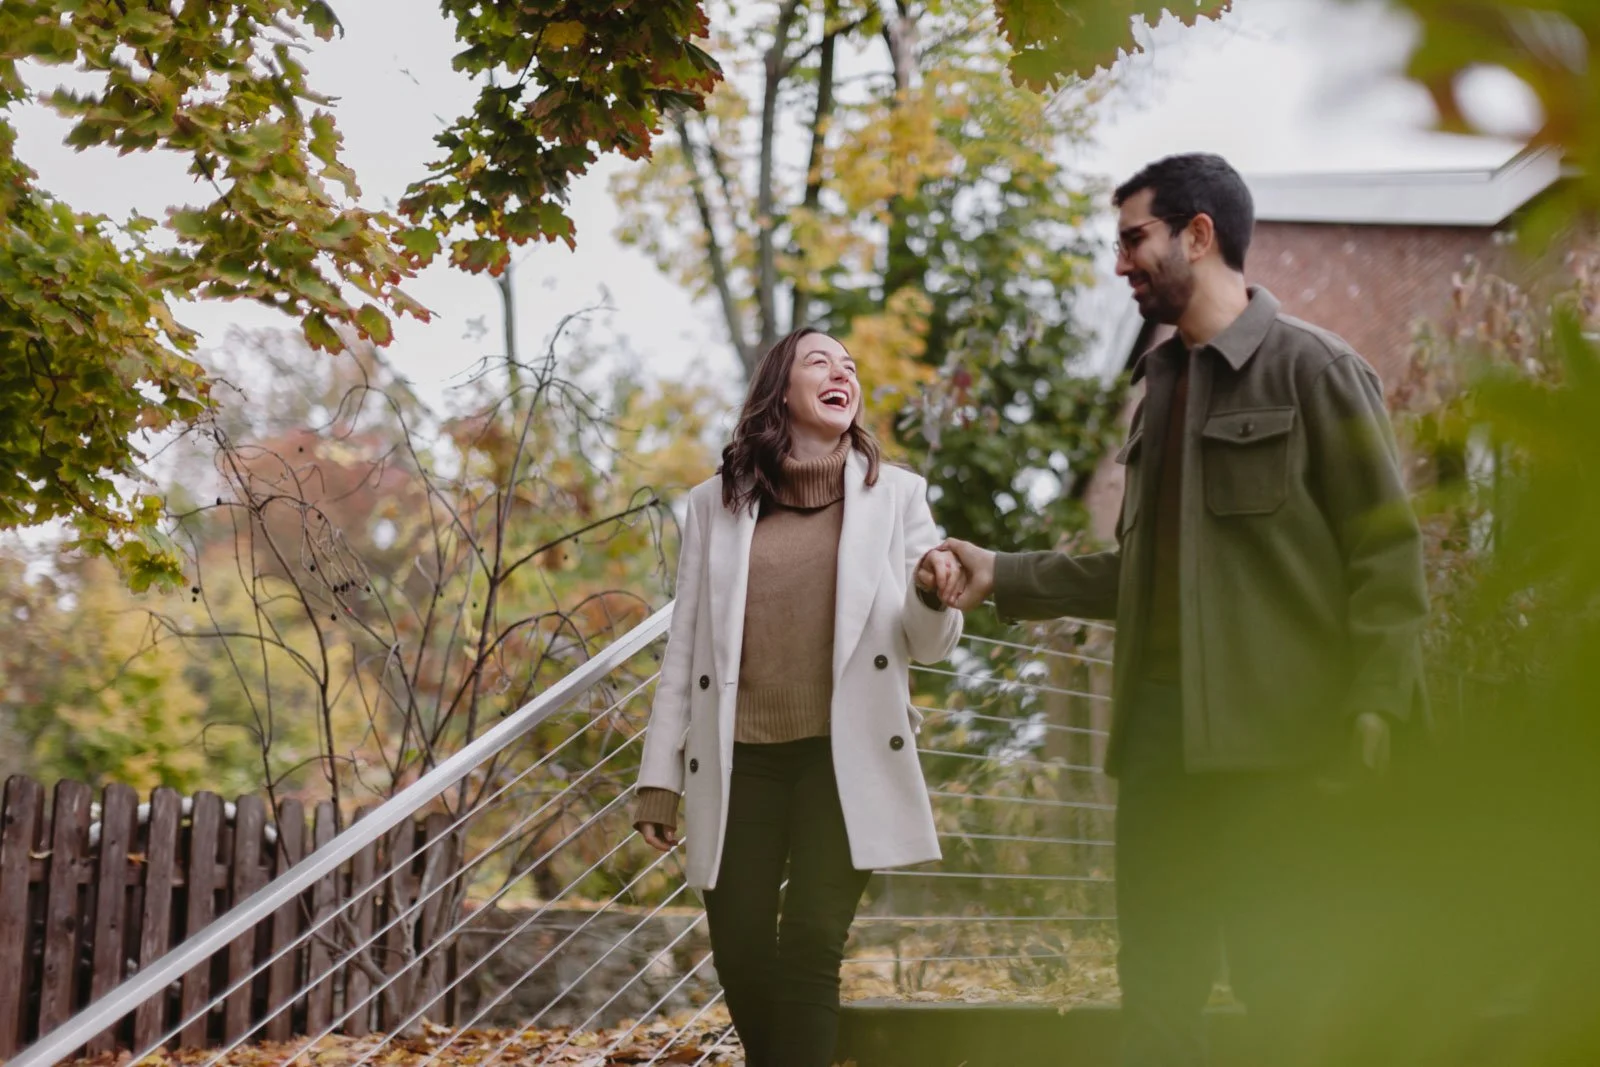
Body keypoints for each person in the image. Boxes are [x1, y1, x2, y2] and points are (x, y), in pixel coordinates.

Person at [929, 153, 1429, 1065]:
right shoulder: (1157, 391)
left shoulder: (1319, 370)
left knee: (1288, 998)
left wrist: (1377, 705)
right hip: (1160, 749)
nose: (1120, 263)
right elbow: (1143, 575)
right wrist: (999, 571)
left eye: (1133, 239)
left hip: (1284, 753)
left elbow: (1387, 557)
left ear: (1199, 234)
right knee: (1156, 999)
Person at [631, 327, 964, 1067]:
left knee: (813, 944)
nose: (842, 370)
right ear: (782, 389)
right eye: (821, 361)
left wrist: (931, 594)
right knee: (743, 952)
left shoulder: (899, 495)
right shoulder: (713, 505)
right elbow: (684, 648)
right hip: (739, 757)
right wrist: (658, 776)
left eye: (850, 365)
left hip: (843, 759)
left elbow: (932, 644)